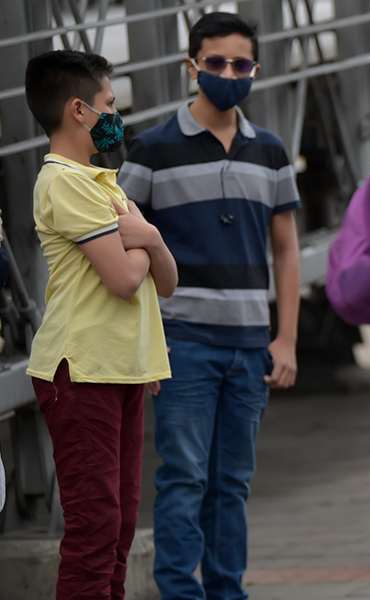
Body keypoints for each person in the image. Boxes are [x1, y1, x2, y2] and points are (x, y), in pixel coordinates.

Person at [117, 13, 300, 599]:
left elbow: (287, 251)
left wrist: (286, 339)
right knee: (183, 479)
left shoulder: (271, 151)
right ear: (191, 66)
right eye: (216, 62)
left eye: (241, 64)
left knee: (233, 483)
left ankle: (227, 591)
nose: (229, 73)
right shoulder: (150, 148)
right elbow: (123, 246)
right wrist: (147, 343)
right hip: (183, 347)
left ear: (256, 69)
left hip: (250, 348)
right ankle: (179, 591)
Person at [24, 50, 176, 600]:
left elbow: (168, 282)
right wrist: (147, 240)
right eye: (109, 103)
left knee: (119, 528)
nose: (115, 115)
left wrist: (148, 238)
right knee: (95, 531)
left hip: (121, 369)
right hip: (81, 370)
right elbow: (125, 280)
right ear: (78, 110)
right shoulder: (65, 182)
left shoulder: (103, 183)